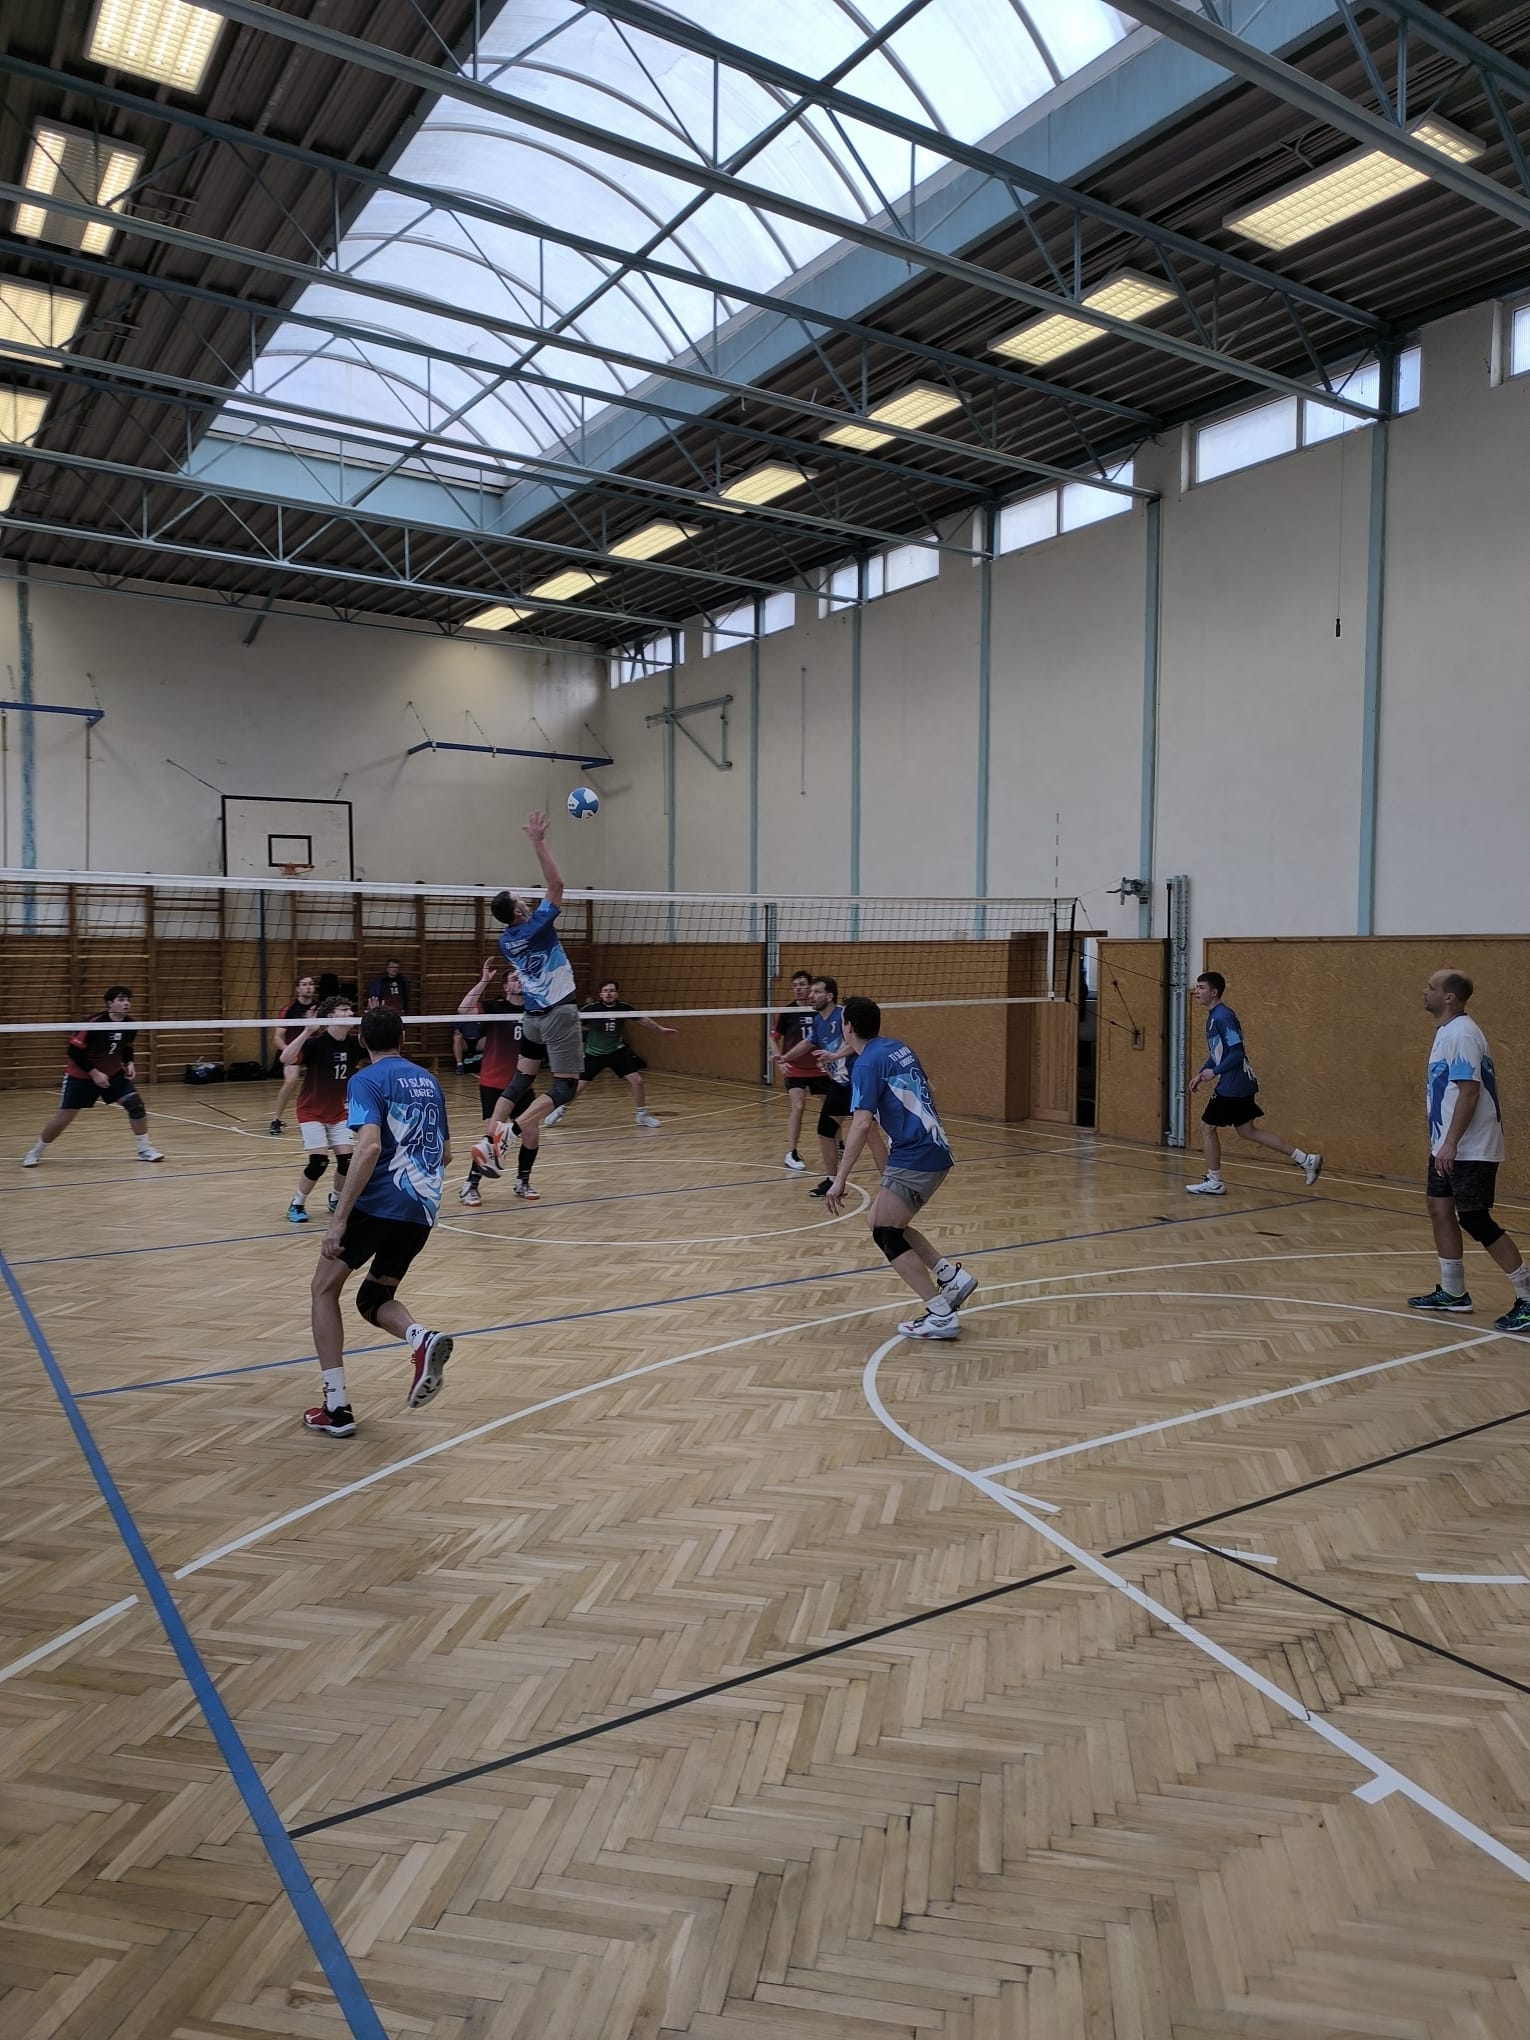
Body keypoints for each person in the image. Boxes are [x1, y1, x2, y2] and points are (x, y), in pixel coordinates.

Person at [304, 1005, 454, 1437]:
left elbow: (368, 1147)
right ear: (403, 1038)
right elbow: (445, 1154)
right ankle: (420, 1338)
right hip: (422, 1209)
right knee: (373, 1299)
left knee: (322, 1290)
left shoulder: (365, 1080)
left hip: (380, 1202)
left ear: (362, 1041)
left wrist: (339, 1219)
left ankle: (337, 1408)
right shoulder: (429, 1081)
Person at [824, 995, 975, 1340]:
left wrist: (839, 1179)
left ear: (848, 1027)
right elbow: (929, 1088)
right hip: (930, 1147)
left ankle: (940, 1314)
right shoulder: (896, 1048)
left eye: (843, 1021)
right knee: (881, 1220)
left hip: (917, 1155)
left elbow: (861, 1124)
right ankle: (950, 1277)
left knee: (885, 1231)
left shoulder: (865, 1065)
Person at [1409, 969, 1530, 1333]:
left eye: (1431, 987)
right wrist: (1443, 1143)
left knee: (1475, 1218)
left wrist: (1450, 1143)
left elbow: (1470, 1091)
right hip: (1448, 1145)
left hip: (1469, 1147)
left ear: (1449, 997)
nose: (1424, 991)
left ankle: (1527, 1297)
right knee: (1439, 1208)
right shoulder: (1447, 1031)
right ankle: (1453, 1292)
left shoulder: (1462, 1033)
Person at [472, 811, 582, 1203]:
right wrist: (538, 842)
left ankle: (489, 1136)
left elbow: (542, 897)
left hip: (532, 1017)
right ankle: (509, 1133)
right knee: (566, 1086)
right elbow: (557, 884)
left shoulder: (506, 941)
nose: (525, 899)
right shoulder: (536, 926)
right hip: (557, 1012)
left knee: (521, 1079)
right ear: (519, 912)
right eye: (521, 899)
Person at [1186, 971, 1322, 1195]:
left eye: (1201, 987)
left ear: (1214, 992)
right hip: (1240, 1083)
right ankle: (1306, 1159)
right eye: (1196, 987)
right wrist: (1201, 1073)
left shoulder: (1223, 1017)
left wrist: (1215, 1072)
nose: (1195, 991)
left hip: (1234, 1085)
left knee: (1207, 1127)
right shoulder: (1214, 1017)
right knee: (1247, 1131)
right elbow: (1219, 1052)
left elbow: (1237, 1053)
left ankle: (1214, 1181)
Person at [23, 986, 163, 1168]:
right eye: (121, 999)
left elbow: (126, 1047)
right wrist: (94, 1073)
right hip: (81, 1077)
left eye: (128, 999)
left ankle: (144, 1150)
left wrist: (129, 1062)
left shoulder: (130, 1024)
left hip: (113, 1075)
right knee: (63, 1118)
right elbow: (74, 1051)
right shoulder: (94, 1023)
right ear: (109, 1003)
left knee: (135, 1105)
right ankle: (35, 1152)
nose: (126, 1003)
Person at [457, 960, 545, 1207]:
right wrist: (484, 980)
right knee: (493, 1137)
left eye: (522, 978)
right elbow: (463, 1010)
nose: (520, 982)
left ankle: (522, 1182)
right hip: (493, 1083)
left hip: (522, 1083)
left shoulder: (534, 1008)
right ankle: (470, 1185)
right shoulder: (495, 1006)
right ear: (505, 986)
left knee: (531, 1134)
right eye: (515, 979)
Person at [279, 996, 364, 1224]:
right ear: (330, 1016)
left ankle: (335, 1198)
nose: (350, 1013)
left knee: (347, 1162)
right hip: (311, 1111)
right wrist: (307, 1032)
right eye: (344, 1010)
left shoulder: (355, 1043)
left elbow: (387, 1044)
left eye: (351, 1010)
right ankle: (297, 1203)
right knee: (318, 1162)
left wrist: (377, 1018)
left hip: (339, 1112)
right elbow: (285, 1058)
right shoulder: (315, 1044)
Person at [804, 974, 887, 1197]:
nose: (811, 995)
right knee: (825, 1130)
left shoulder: (844, 1016)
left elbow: (856, 1042)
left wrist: (834, 1056)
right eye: (811, 991)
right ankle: (831, 1181)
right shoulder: (819, 1021)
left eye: (816, 991)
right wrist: (786, 1057)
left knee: (870, 1135)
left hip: (856, 1082)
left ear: (830, 996)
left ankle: (889, 1184)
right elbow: (814, 1046)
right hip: (840, 1085)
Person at [564, 979, 678, 1127]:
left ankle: (642, 1115)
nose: (609, 993)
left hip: (616, 1053)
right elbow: (575, 1024)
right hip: (594, 1054)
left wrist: (660, 1029)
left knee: (637, 1081)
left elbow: (642, 1020)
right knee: (579, 1087)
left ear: (617, 994)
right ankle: (561, 1109)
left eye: (612, 991)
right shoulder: (590, 1008)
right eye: (606, 991)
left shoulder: (624, 1007)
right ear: (600, 994)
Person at [770, 969, 817, 1170]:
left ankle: (838, 1144)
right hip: (796, 1068)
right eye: (795, 985)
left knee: (834, 1109)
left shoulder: (819, 1010)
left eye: (802, 985)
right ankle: (792, 1152)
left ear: (810, 987)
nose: (798, 989)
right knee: (798, 1106)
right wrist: (781, 1061)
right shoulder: (787, 1012)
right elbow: (773, 1038)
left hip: (820, 1068)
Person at [270, 972, 317, 1135]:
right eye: (304, 984)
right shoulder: (289, 1009)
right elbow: (277, 1037)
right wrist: (289, 1051)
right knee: (290, 1081)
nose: (308, 987)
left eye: (310, 984)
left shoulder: (320, 1008)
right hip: (295, 1050)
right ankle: (276, 1119)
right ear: (298, 989)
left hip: (315, 1051)